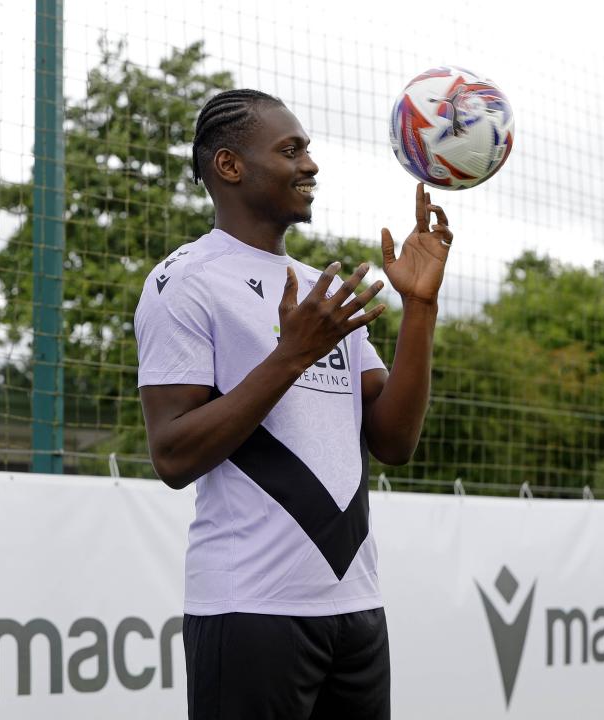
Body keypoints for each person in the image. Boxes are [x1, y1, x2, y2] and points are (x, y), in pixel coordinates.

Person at [135, 89, 452, 720]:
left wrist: (419, 308)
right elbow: (171, 456)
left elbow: (394, 443)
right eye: (291, 149)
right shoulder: (185, 282)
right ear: (230, 167)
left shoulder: (319, 291)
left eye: (307, 148)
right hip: (249, 611)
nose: (310, 164)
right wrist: (291, 355)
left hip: (355, 610)